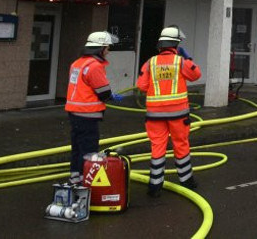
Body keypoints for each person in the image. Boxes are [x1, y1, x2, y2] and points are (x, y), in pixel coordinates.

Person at [137, 25, 202, 197]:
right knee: (181, 145)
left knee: (157, 147)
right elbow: (196, 75)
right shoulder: (180, 62)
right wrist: (188, 58)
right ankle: (186, 181)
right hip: (178, 115)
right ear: (176, 45)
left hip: (154, 115)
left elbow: (141, 85)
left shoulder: (150, 62)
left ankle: (155, 186)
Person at [65, 31, 121, 185]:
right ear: (100, 48)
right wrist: (111, 96)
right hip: (88, 114)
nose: (108, 51)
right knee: (89, 151)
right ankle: (86, 183)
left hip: (74, 112)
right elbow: (103, 92)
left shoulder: (77, 63)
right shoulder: (94, 66)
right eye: (107, 48)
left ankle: (75, 178)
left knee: (77, 148)